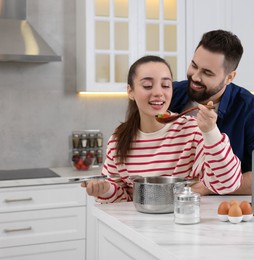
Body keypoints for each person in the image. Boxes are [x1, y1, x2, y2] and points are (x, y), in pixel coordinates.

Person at [81, 55, 242, 203]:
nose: (158, 93)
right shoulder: (118, 139)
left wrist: (211, 131)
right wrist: (105, 189)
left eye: (166, 85)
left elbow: (228, 183)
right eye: (147, 85)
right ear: (130, 91)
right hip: (136, 228)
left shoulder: (192, 131)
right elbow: (122, 200)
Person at [169, 30, 254, 195]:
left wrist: (209, 187)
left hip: (222, 209)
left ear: (230, 77)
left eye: (207, 73)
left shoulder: (253, 111)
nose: (195, 77)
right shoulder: (171, 93)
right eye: (194, 65)